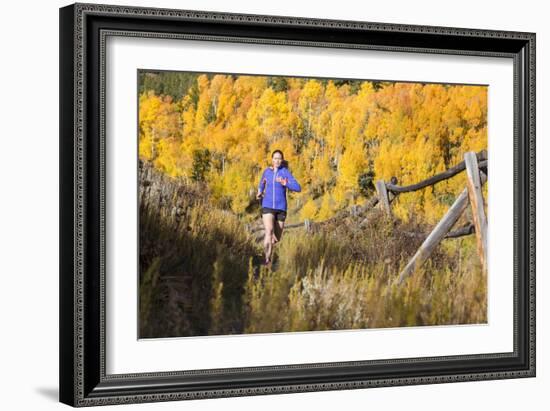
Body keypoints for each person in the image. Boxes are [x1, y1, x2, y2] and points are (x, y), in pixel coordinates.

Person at [256, 150, 301, 266]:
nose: (277, 160)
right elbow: (261, 183)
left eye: (279, 158)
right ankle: (267, 260)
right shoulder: (267, 172)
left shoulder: (285, 172)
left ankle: (270, 251)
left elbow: (298, 187)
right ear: (272, 159)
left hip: (281, 208)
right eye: (275, 158)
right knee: (269, 231)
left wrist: (286, 183)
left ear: (282, 160)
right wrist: (260, 191)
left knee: (276, 238)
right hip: (267, 205)